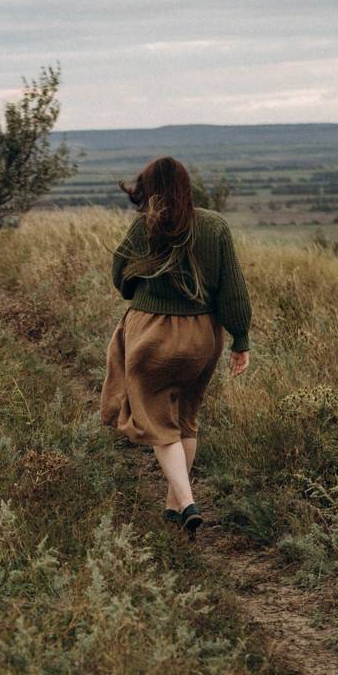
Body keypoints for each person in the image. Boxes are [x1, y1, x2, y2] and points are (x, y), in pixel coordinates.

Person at [99, 155, 251, 534]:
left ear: (149, 188)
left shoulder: (143, 228)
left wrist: (141, 288)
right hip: (203, 338)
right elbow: (232, 289)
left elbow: (119, 277)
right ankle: (172, 509)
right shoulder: (215, 226)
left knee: (157, 421)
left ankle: (186, 501)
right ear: (186, 186)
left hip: (151, 335)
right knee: (185, 419)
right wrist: (240, 338)